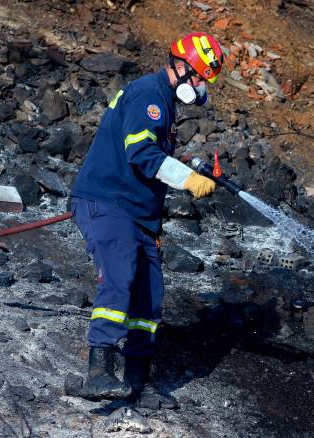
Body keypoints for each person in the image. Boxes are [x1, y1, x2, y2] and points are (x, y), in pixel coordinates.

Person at [69, 32, 225, 408]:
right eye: (200, 77)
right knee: (120, 278)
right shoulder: (148, 94)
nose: (202, 86)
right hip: (108, 201)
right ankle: (98, 370)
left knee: (149, 297)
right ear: (182, 67)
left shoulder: (165, 102)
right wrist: (187, 179)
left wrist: (190, 168)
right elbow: (140, 152)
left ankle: (138, 380)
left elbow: (154, 152)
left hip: (139, 213)